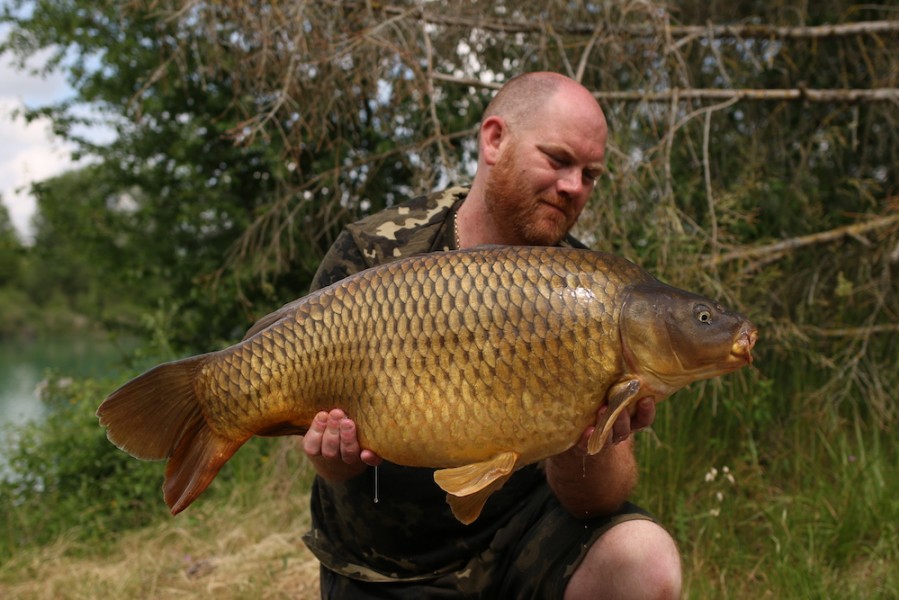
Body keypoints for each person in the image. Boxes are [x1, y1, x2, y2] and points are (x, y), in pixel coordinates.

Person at [300, 72, 682, 599]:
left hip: (520, 545)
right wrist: (327, 455)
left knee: (644, 560)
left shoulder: (594, 292)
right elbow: (320, 453)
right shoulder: (374, 253)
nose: (574, 186)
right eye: (558, 159)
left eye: (591, 174)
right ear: (495, 139)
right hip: (385, 566)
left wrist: (585, 440)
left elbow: (597, 501)